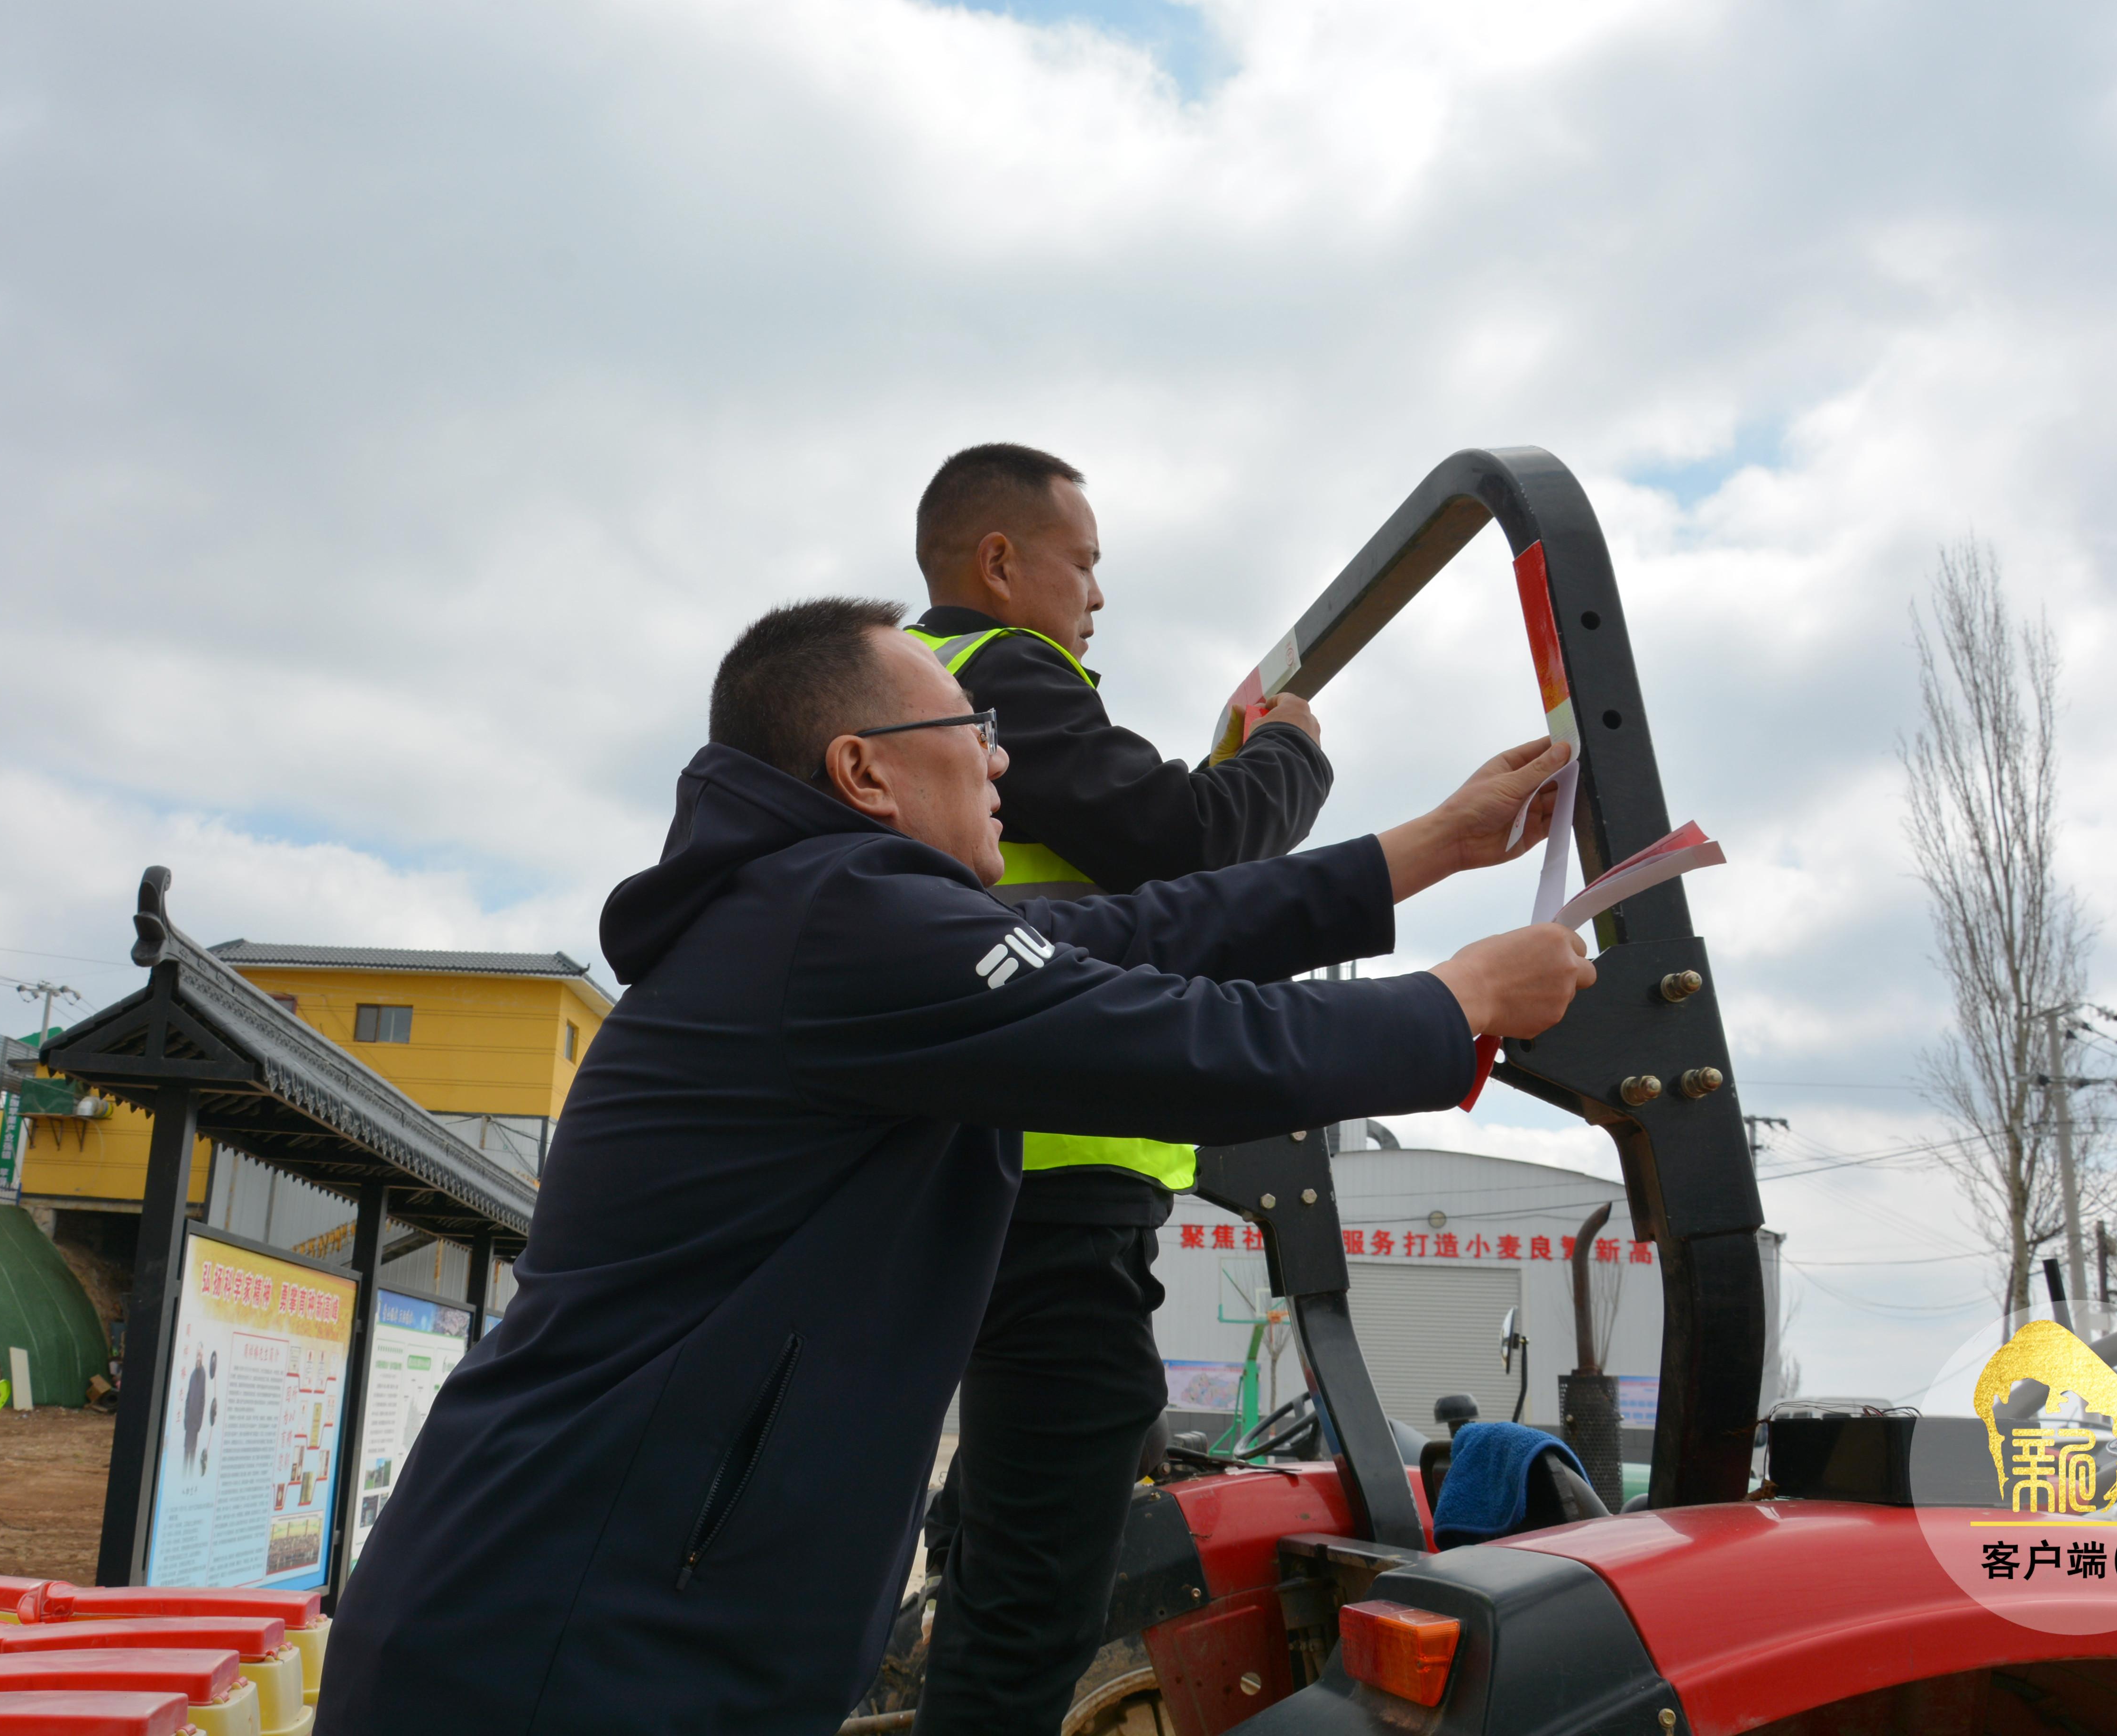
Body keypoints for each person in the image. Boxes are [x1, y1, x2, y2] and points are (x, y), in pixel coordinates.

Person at [318, 598, 1590, 1736]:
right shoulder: (840, 916)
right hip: (576, 1644)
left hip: (584, 1610)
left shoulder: (823, 916)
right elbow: (1176, 1038)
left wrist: (1434, 843)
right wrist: (1457, 999)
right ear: (863, 770)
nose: (1001, 757)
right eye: (973, 728)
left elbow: (1149, 928)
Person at [901, 442, 1331, 1734]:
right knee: (1045, 1573)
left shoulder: (915, 687)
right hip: (1054, 1170)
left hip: (975, 1163)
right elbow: (1186, 843)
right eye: (1083, 564)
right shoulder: (1001, 677)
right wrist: (1290, 755)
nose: (1098, 597)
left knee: (1012, 1507)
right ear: (999, 562)